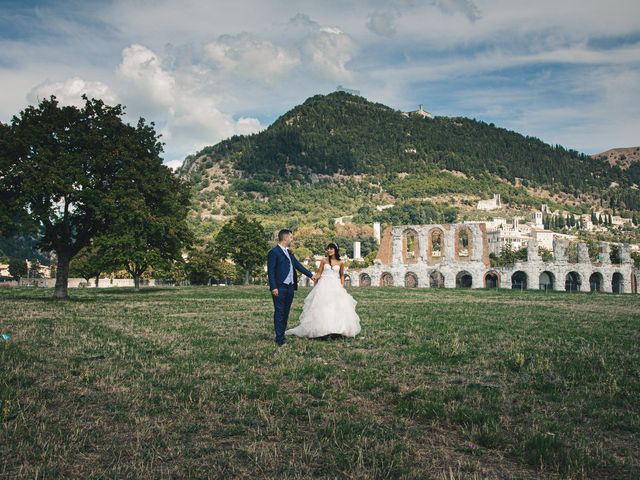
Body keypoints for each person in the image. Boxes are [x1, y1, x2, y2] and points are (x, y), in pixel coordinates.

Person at [286, 243, 361, 339]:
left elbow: (342, 275)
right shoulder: (323, 261)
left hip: (335, 285)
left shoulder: (340, 262)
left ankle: (337, 330)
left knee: (335, 307)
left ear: (335, 250)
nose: (329, 250)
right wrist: (313, 277)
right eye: (328, 249)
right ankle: (322, 330)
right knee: (323, 307)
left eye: (331, 249)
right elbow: (319, 273)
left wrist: (341, 286)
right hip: (324, 285)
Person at [267, 229, 317, 346]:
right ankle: (279, 339)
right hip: (279, 287)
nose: (292, 239)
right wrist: (273, 287)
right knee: (279, 312)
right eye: (291, 237)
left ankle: (281, 335)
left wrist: (311, 276)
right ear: (285, 238)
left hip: (290, 287)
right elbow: (271, 271)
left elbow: (298, 266)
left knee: (286, 312)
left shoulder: (289, 252)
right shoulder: (274, 252)